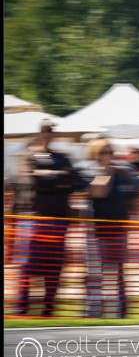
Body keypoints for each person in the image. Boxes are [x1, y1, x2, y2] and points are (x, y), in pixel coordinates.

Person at [14, 119, 79, 316]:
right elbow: (36, 181)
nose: (48, 134)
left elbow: (74, 180)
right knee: (29, 266)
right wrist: (59, 179)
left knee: (54, 267)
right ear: (39, 132)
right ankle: (22, 309)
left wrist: (50, 176)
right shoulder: (29, 155)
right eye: (45, 130)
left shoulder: (63, 156)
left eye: (51, 131)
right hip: (34, 219)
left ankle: (48, 309)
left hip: (59, 220)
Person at [75, 138, 139, 318]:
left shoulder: (124, 173)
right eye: (103, 152)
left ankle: (121, 311)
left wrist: (132, 215)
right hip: (96, 231)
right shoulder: (87, 171)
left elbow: (134, 195)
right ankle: (93, 311)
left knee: (118, 271)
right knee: (95, 274)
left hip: (119, 230)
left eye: (110, 152)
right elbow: (98, 192)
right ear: (95, 154)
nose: (108, 155)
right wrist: (107, 171)